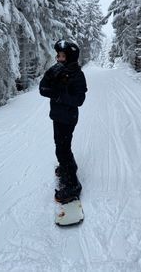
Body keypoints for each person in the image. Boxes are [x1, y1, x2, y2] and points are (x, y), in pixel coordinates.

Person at [39, 40, 87, 203]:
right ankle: (68, 167)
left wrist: (60, 96)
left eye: (62, 56)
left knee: (62, 149)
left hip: (68, 118)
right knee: (61, 146)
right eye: (57, 56)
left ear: (70, 57)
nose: (58, 59)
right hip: (57, 116)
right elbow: (43, 89)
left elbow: (79, 99)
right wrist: (50, 73)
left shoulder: (78, 75)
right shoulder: (57, 71)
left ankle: (73, 185)